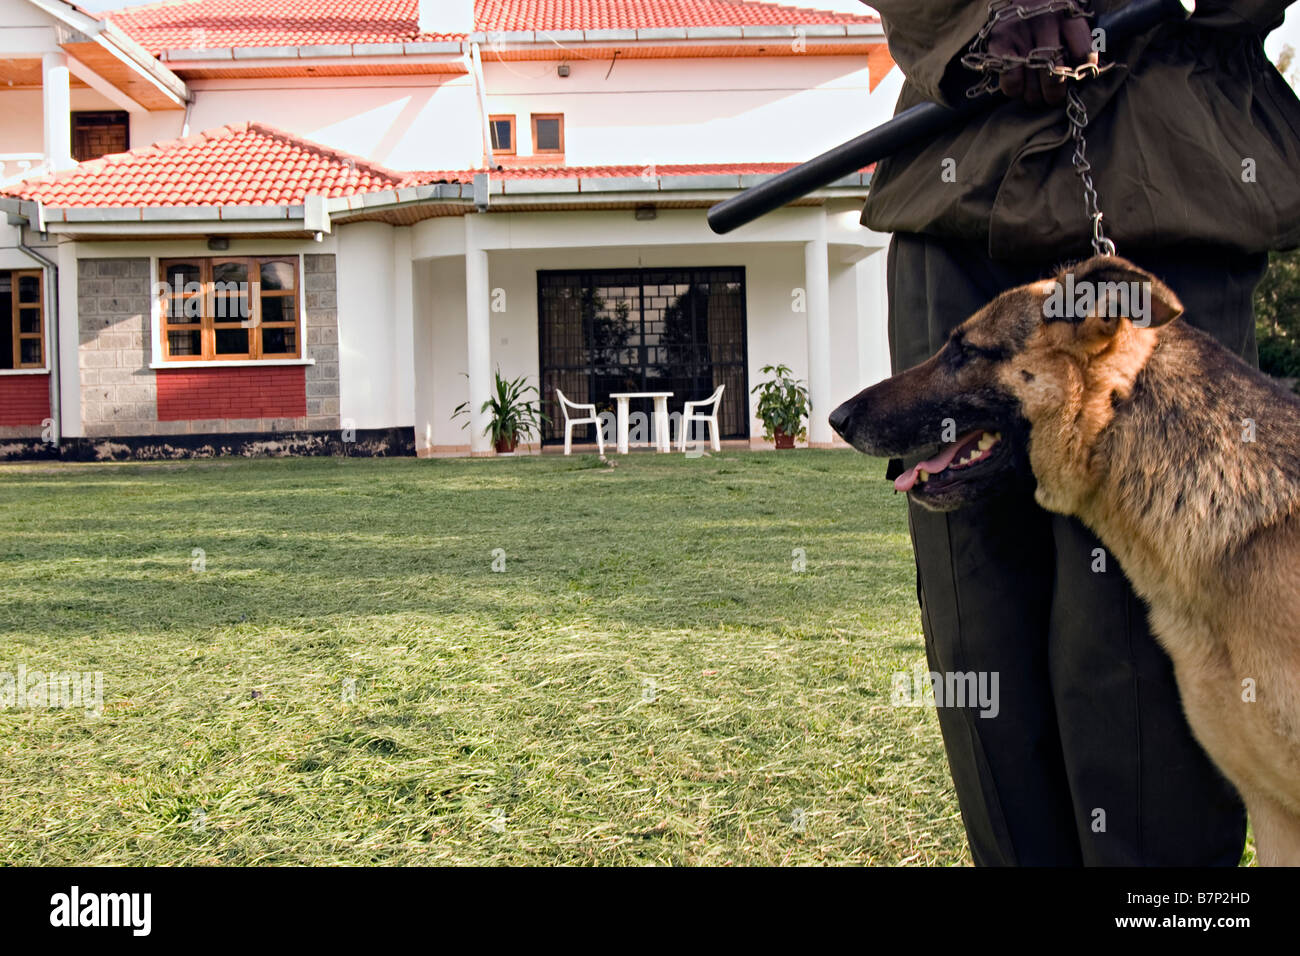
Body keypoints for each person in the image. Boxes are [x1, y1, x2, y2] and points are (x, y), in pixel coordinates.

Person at [859, 0, 1300, 865]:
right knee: (977, 616)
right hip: (958, 180)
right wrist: (983, 24)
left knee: (1154, 626)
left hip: (1168, 172)